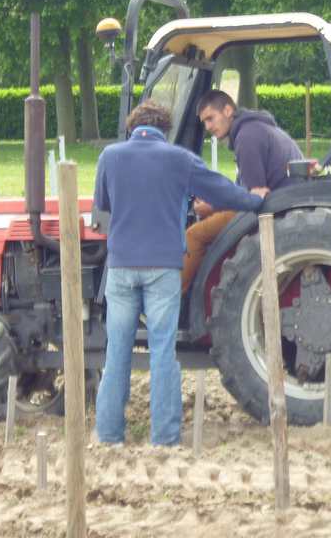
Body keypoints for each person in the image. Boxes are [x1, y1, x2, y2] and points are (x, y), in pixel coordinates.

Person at [93, 99, 264, 446]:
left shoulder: (109, 157)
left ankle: (110, 435)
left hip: (122, 267)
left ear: (132, 126)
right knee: (162, 353)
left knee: (117, 353)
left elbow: (103, 206)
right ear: (165, 129)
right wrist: (258, 201)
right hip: (163, 268)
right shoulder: (179, 159)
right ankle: (165, 437)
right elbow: (223, 191)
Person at [181, 90, 303, 289]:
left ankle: (175, 302)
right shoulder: (257, 128)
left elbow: (254, 197)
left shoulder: (247, 137)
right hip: (283, 201)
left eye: (211, 118)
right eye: (204, 122)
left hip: (271, 209)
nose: (208, 127)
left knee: (194, 235)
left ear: (228, 110)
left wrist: (212, 208)